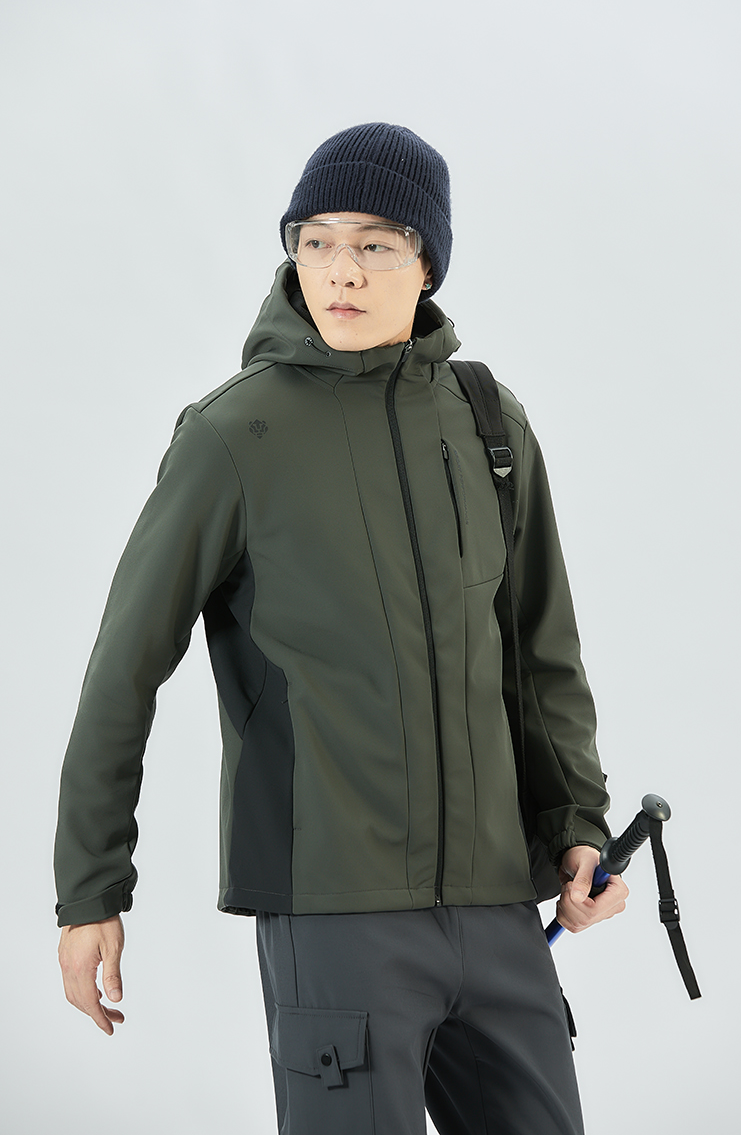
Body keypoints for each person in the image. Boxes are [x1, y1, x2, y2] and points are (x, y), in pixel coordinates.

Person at [55, 122, 628, 1134]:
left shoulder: (489, 424)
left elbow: (540, 658)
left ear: (426, 261)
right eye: (314, 241)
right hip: (335, 914)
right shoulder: (235, 435)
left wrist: (577, 829)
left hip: (497, 908)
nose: (340, 270)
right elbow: (123, 670)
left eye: (374, 243)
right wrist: (90, 889)